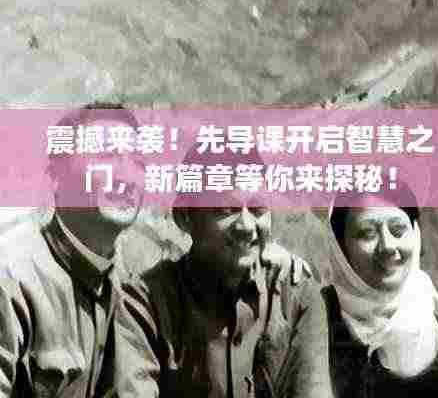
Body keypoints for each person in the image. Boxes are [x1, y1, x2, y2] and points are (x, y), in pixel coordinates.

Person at [111, 146, 333, 398]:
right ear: (184, 216)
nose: (246, 226)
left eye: (258, 209)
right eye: (226, 210)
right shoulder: (146, 303)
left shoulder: (295, 295)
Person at [0, 103, 145, 397]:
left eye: (138, 162)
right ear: (56, 176)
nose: (126, 177)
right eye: (106, 156)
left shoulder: (132, 283)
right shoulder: (11, 275)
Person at [320, 184, 438, 398]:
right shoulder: (315, 316)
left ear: (415, 233)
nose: (388, 246)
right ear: (340, 247)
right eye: (367, 233)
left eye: (398, 230)